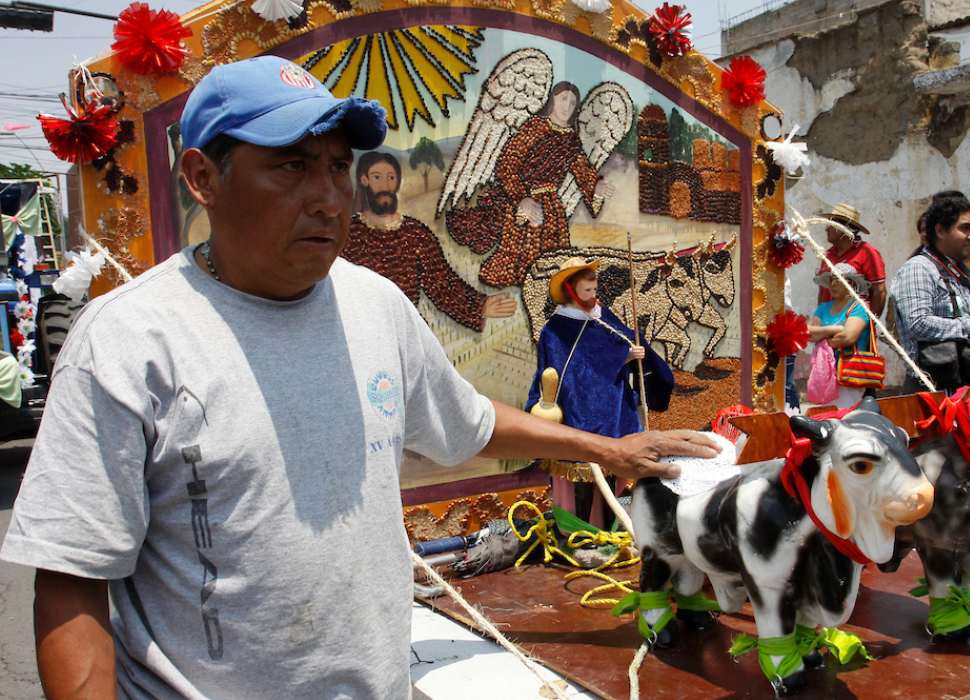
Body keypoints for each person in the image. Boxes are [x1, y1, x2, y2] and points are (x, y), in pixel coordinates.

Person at [0, 56, 716, 699]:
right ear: (202, 178)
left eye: (338, 166)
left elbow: (464, 419)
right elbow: (71, 576)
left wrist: (609, 451)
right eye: (290, 165)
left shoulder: (374, 305)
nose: (330, 197)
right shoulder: (130, 341)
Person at [526, 258, 673, 524]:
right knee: (583, 473)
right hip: (578, 412)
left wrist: (638, 353)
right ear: (571, 290)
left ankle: (609, 529)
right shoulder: (556, 329)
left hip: (613, 409)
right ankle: (582, 534)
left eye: (595, 291)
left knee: (612, 473)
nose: (593, 297)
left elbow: (626, 338)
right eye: (586, 292)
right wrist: (621, 358)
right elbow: (572, 369)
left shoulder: (603, 317)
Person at [445, 81, 615, 289]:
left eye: (572, 103)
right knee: (517, 256)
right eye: (563, 99)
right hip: (525, 201)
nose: (567, 106)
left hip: (552, 207)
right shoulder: (534, 127)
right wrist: (522, 198)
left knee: (554, 257)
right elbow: (507, 163)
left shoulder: (571, 138)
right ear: (552, 100)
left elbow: (582, 169)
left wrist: (594, 187)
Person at [340, 150, 516, 331]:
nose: (385, 185)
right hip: (358, 330)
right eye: (377, 177)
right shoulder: (347, 233)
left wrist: (480, 306)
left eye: (391, 178)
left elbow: (441, 283)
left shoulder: (415, 233)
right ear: (364, 180)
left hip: (405, 331)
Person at [893, 195, 970, 392]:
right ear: (940, 230)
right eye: (965, 228)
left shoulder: (957, 271)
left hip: (960, 382)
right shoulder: (919, 268)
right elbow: (917, 324)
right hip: (931, 387)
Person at [807, 263, 874, 408]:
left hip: (850, 374)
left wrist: (823, 337)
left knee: (847, 417)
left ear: (850, 283)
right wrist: (835, 329)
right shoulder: (823, 309)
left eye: (838, 280)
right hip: (825, 375)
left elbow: (847, 337)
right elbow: (809, 334)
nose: (833, 284)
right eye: (831, 280)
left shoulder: (859, 306)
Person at [816, 203, 887, 315]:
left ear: (843, 228)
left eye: (829, 224)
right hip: (827, 324)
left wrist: (869, 323)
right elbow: (823, 292)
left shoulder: (867, 252)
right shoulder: (827, 255)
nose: (826, 229)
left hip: (854, 325)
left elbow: (880, 291)